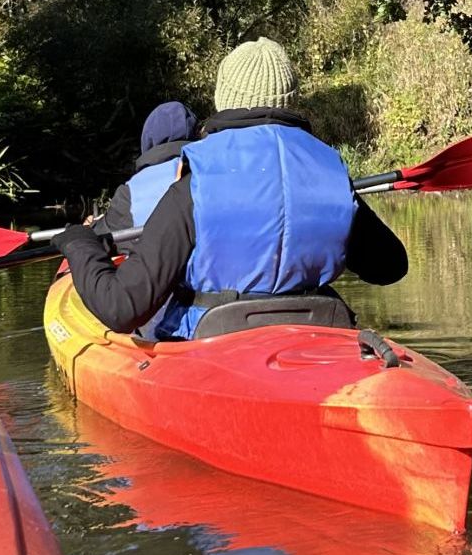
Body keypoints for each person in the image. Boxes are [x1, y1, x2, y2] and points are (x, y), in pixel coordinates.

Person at [53, 37, 407, 340]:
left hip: (216, 345)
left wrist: (79, 244)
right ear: (291, 100)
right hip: (320, 335)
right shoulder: (330, 171)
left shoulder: (198, 180)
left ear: (226, 97)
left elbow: (122, 308)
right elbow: (389, 267)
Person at [90, 101, 198, 238]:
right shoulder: (210, 173)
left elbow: (98, 237)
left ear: (148, 139)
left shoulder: (129, 192)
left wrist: (94, 225)